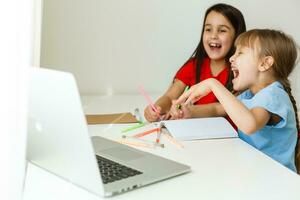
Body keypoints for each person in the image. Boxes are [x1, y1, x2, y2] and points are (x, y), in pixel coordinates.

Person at [175, 29, 299, 172]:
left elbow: (249, 124)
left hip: (276, 181)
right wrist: (188, 111)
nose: (231, 58)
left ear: (265, 64)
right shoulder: (250, 95)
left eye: (240, 53)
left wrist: (213, 84)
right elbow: (218, 109)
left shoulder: (274, 95)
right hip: (254, 173)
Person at [144, 3, 246, 122]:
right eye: (208, 29)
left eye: (222, 30)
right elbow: (170, 96)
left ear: (237, 36)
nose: (213, 36)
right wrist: (157, 108)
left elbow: (221, 108)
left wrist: (189, 111)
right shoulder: (194, 65)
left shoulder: (240, 70)